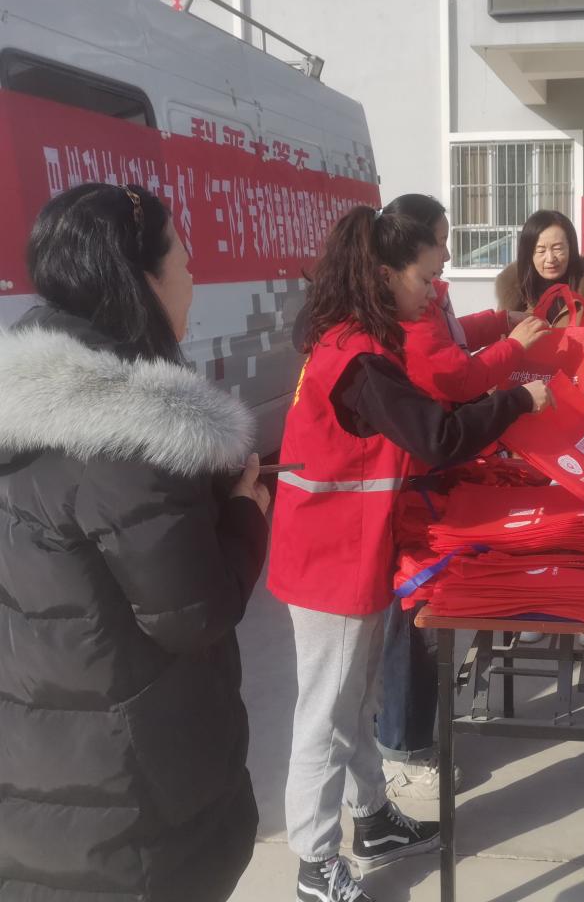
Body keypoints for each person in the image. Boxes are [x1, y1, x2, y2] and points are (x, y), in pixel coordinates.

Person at [267, 205, 551, 902]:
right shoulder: (359, 359)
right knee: (327, 714)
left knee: (354, 700)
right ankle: (314, 862)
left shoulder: (363, 336)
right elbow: (435, 435)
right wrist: (519, 400)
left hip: (352, 546)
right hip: (330, 557)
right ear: (385, 273)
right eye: (425, 277)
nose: (433, 291)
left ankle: (370, 819)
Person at [0, 183, 270, 902]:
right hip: (134, 798)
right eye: (183, 259)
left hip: (39, 769)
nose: (193, 277)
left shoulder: (21, 406)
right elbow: (193, 614)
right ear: (141, 279)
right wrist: (244, 515)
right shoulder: (130, 437)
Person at [373, 193, 550, 800]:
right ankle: (402, 750)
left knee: (419, 617)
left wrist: (499, 325)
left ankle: (402, 738)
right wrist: (514, 353)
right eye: (440, 246)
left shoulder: (424, 298)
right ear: (397, 266)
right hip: (415, 479)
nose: (447, 256)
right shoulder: (403, 318)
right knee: (415, 616)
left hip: (429, 472)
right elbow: (454, 373)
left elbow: (453, 341)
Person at [496, 209, 584, 330]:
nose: (550, 259)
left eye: (558, 248)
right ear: (528, 255)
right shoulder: (511, 301)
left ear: (571, 249)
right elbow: (501, 340)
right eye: (541, 250)